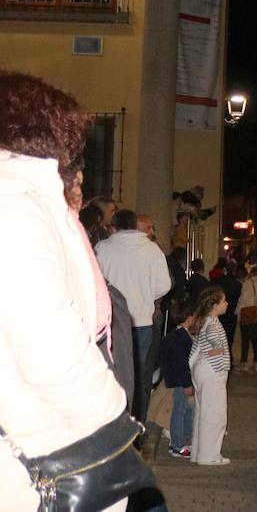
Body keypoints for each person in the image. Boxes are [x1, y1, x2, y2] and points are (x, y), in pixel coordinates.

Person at [0, 71, 135, 511]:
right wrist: (115, 420)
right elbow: (49, 346)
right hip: (45, 446)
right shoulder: (16, 205)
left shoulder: (24, 201)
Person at [97, 207, 172, 422]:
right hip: (141, 321)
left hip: (111, 322)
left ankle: (112, 423)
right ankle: (137, 422)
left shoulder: (103, 248)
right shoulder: (152, 250)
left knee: (111, 374)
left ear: (115, 226)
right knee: (139, 376)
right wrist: (146, 296)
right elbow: (164, 285)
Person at [187, 285, 230, 465]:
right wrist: (218, 351)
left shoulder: (203, 320)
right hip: (212, 371)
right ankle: (209, 456)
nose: (226, 304)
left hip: (201, 370)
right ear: (214, 306)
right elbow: (213, 345)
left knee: (202, 412)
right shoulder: (212, 323)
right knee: (214, 414)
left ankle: (198, 452)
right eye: (223, 301)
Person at [158, 299, 196, 459]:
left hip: (179, 380)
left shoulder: (178, 335)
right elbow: (181, 364)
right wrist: (187, 383)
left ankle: (183, 440)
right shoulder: (180, 338)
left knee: (186, 411)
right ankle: (177, 445)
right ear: (189, 318)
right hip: (181, 382)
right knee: (179, 412)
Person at [237, 266, 257, 372]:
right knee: (256, 340)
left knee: (245, 340)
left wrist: (237, 312)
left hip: (248, 314)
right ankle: (256, 363)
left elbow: (243, 300)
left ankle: (244, 363)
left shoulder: (248, 283)